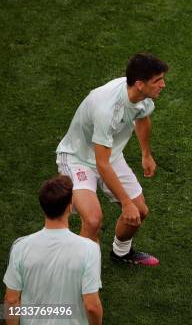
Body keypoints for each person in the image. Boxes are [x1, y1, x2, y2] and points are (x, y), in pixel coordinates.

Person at [56, 52, 167, 265]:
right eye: (157, 81)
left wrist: (146, 154)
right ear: (139, 84)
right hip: (77, 158)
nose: (163, 85)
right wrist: (125, 202)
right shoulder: (107, 110)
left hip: (109, 155)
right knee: (93, 219)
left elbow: (142, 118)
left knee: (140, 212)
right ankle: (79, 275)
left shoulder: (141, 97)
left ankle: (121, 253)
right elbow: (101, 164)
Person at [3, 175, 103, 325]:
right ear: (70, 207)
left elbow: (11, 300)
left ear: (43, 208)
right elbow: (92, 306)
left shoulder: (20, 247)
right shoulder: (90, 249)